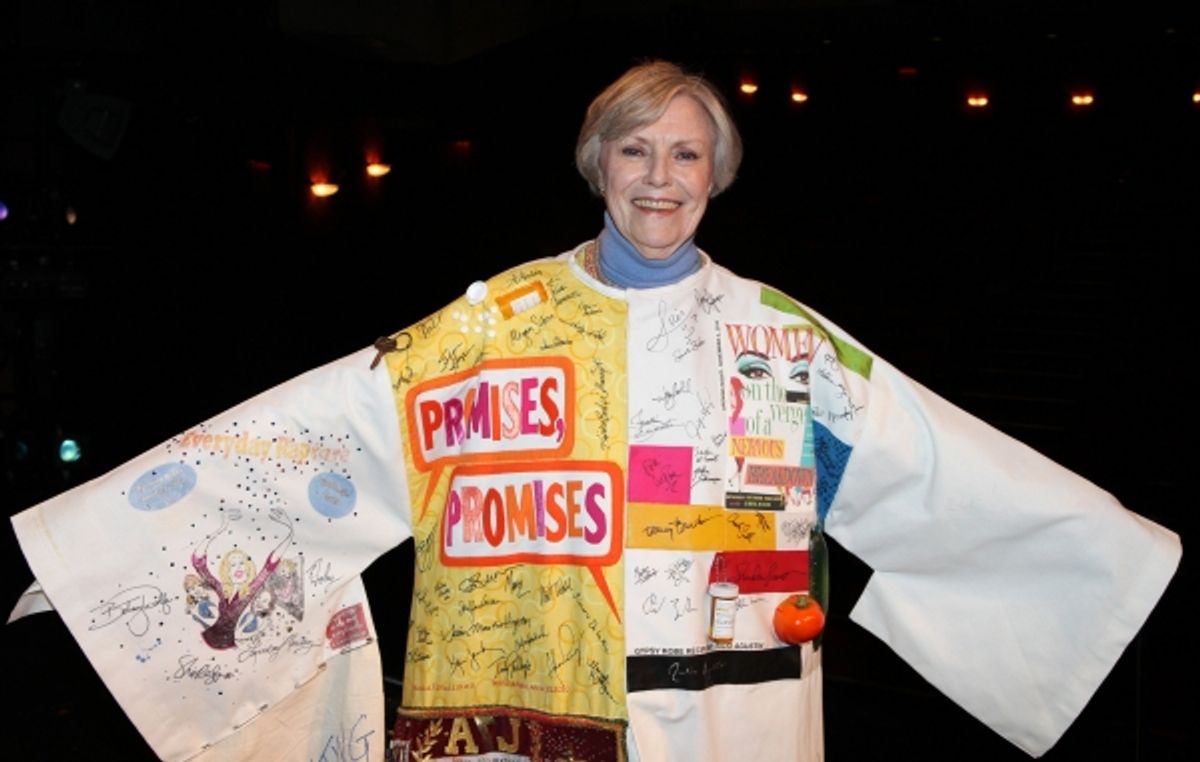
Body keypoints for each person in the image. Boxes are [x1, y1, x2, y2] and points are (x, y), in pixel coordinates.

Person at [6, 60, 1182, 762]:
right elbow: (316, 433)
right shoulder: (488, 327)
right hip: (531, 711)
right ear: (597, 163)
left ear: (716, 175)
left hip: (727, 719)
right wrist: (102, 556)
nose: (661, 178)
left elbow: (935, 469)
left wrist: (1107, 553)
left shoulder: (784, 336)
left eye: (687, 154)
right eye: (637, 150)